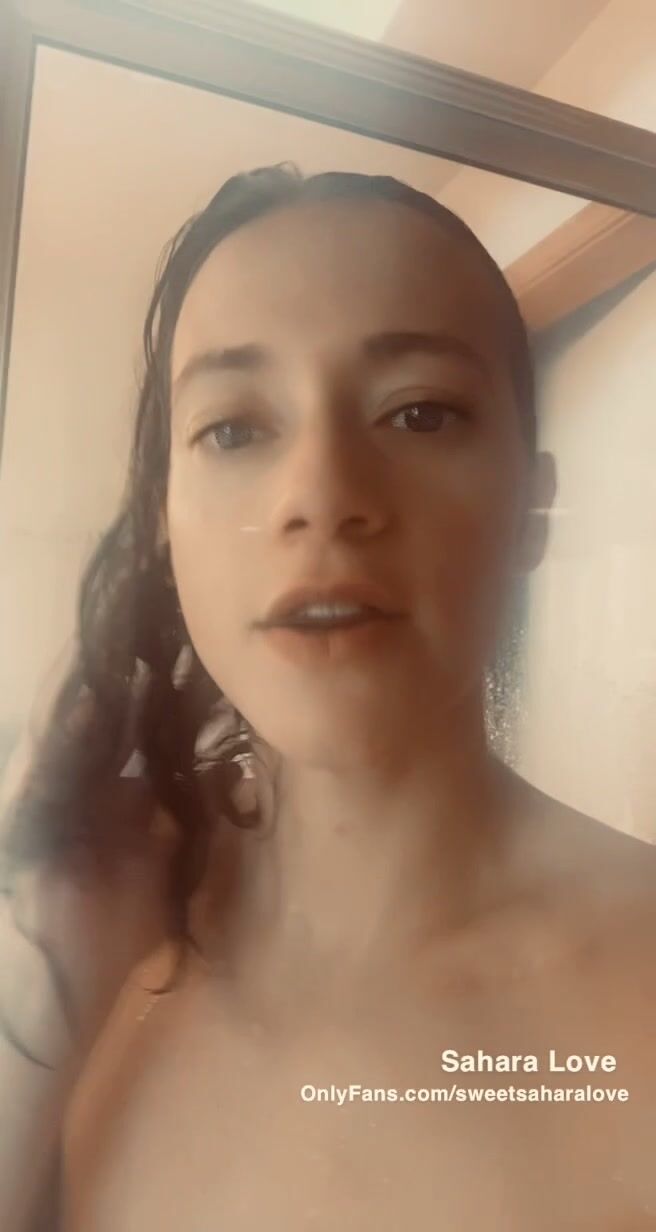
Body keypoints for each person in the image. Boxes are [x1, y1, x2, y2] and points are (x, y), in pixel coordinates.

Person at [1, 163, 656, 1232]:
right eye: (233, 428)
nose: (318, 494)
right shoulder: (76, 955)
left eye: (419, 412)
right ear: (164, 519)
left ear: (532, 508)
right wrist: (50, 995)